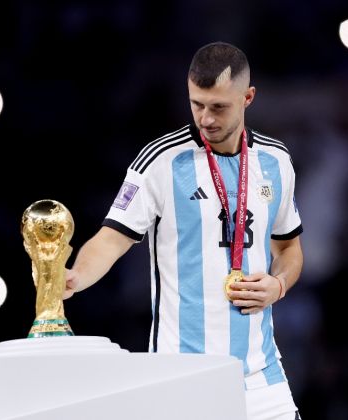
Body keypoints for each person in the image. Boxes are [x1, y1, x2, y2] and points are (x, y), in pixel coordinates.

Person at [65, 41, 304, 420]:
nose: (205, 118)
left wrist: (279, 285)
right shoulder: (159, 161)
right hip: (183, 380)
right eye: (197, 104)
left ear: (248, 97)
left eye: (218, 107)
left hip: (261, 378)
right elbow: (111, 239)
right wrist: (75, 276)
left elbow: (289, 248)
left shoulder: (276, 161)